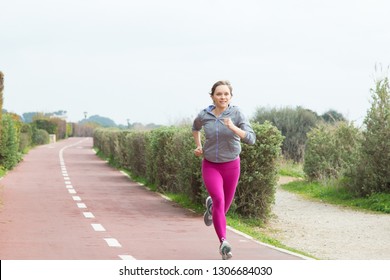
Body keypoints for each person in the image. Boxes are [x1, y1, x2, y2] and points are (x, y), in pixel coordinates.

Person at [192, 80, 256, 260]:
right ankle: (224, 243)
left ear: (231, 96)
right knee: (219, 199)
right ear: (212, 96)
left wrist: (233, 127)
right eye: (219, 94)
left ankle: (211, 208)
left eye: (226, 94)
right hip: (211, 164)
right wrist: (199, 146)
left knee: (224, 207)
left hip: (231, 165)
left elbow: (251, 138)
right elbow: (195, 128)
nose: (223, 97)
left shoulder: (237, 113)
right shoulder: (205, 115)